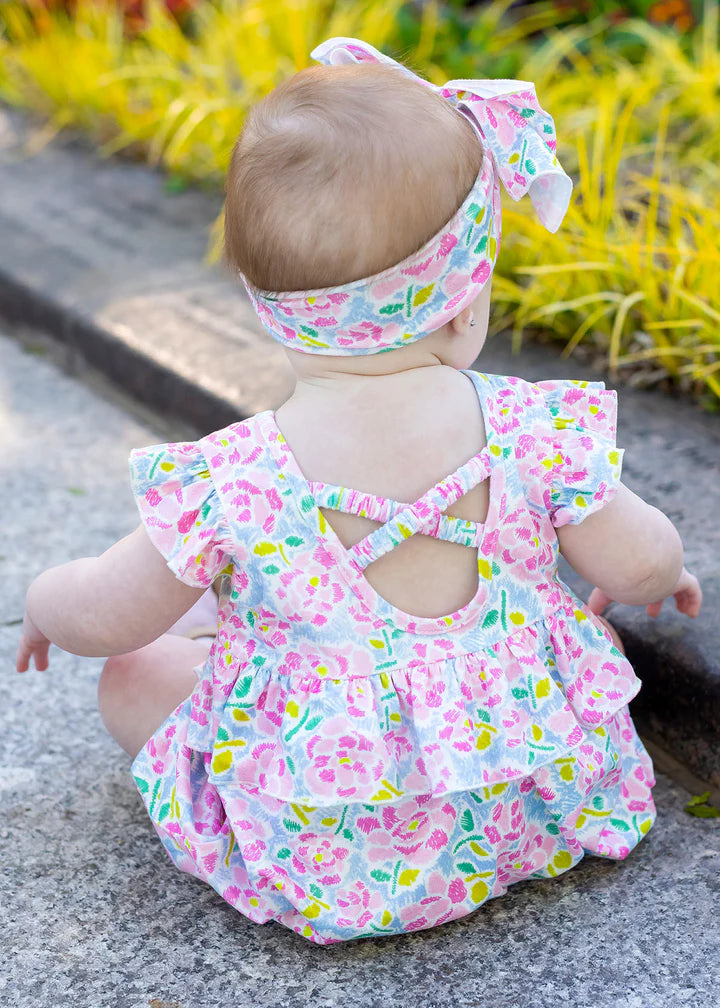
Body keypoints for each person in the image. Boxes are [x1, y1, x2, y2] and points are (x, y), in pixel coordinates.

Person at [16, 37, 702, 945]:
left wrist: (43, 602)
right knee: (578, 634)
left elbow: (107, 614)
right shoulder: (534, 432)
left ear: (264, 302)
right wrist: (656, 577)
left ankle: (266, 687)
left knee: (138, 671)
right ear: (467, 302)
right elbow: (642, 556)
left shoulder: (236, 479)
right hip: (529, 805)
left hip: (331, 854)